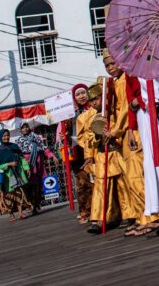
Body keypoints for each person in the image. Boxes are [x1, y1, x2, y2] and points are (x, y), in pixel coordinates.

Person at [103, 50, 145, 232]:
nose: (111, 68)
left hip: (131, 130)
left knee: (136, 175)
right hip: (124, 132)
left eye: (113, 63)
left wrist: (115, 131)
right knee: (130, 177)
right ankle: (140, 215)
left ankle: (146, 216)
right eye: (107, 65)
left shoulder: (125, 80)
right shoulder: (116, 83)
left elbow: (125, 110)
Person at [128, 76, 159, 236]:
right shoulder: (131, 62)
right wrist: (131, 127)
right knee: (153, 163)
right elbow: (130, 95)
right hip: (145, 115)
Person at [78, 78, 123, 233]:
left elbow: (122, 127)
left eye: (96, 99)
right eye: (91, 100)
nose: (93, 103)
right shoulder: (89, 116)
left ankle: (128, 215)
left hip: (118, 153)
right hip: (102, 156)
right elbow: (87, 138)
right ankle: (99, 220)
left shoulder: (114, 111)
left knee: (123, 186)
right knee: (100, 188)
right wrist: (89, 154)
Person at [0, 129, 33, 222]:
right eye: (4, 136)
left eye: (7, 135)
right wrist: (8, 164)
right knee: (8, 195)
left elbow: (22, 158)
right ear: (0, 137)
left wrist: (27, 168)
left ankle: (20, 213)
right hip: (7, 177)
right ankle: (11, 214)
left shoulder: (14, 146)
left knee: (19, 193)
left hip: (18, 173)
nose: (6, 137)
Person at [15, 121, 54, 213]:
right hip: (26, 164)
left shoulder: (35, 137)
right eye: (23, 127)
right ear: (20, 130)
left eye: (26, 127)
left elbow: (43, 147)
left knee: (36, 185)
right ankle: (30, 204)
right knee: (28, 185)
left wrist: (52, 156)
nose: (25, 129)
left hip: (37, 163)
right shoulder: (19, 140)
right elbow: (17, 154)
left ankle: (36, 205)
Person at [71, 83, 94, 224]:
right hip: (78, 152)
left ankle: (96, 210)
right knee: (81, 183)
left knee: (94, 182)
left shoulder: (93, 108)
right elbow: (64, 133)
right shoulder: (70, 114)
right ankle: (85, 211)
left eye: (83, 93)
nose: (81, 96)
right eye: (78, 94)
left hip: (92, 149)